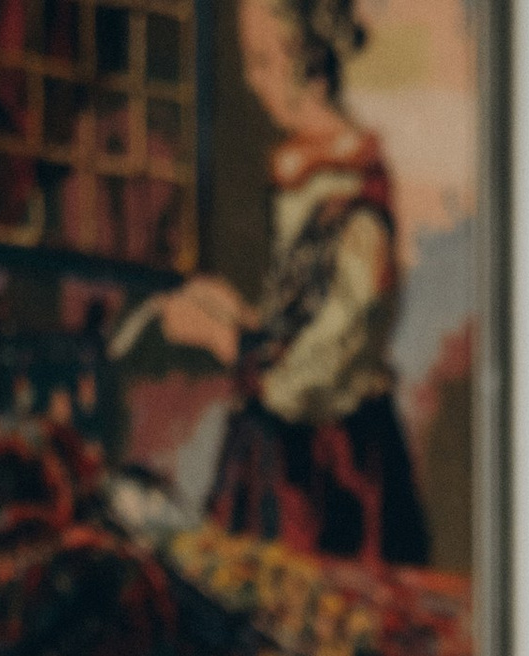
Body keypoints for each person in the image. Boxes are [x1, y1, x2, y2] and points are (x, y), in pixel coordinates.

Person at [142, 0, 430, 569]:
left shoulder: (355, 186)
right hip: (277, 442)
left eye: (263, 62)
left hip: (331, 459)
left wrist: (234, 347)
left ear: (310, 65)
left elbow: (340, 344)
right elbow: (298, 314)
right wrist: (243, 320)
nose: (252, 81)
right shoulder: (296, 166)